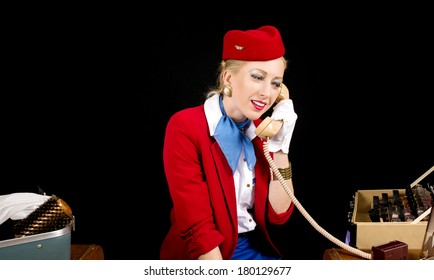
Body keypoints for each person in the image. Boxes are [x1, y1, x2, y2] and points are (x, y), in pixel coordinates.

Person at [160, 25, 298, 260]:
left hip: (252, 248)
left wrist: (281, 147)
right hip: (208, 253)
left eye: (276, 83)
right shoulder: (185, 126)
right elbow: (199, 231)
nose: (267, 93)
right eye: (257, 77)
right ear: (229, 77)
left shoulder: (260, 133)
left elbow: (280, 213)